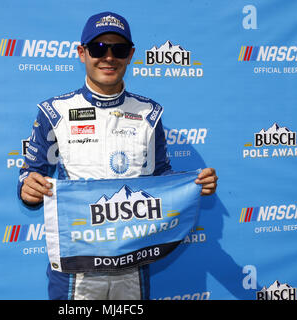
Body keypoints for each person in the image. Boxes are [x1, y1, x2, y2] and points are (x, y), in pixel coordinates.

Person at [18, 11, 218, 300]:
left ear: (130, 55)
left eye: (119, 49)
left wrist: (196, 183)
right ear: (81, 53)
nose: (108, 57)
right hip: (76, 265)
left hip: (132, 262)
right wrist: (28, 188)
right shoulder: (55, 112)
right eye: (99, 48)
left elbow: (160, 177)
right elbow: (31, 172)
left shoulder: (149, 113)